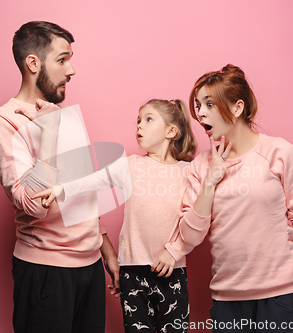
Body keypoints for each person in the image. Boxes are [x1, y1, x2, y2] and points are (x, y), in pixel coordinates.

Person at [179, 64, 293, 332]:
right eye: (198, 105)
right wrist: (211, 179)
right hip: (227, 301)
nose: (200, 113)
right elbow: (191, 236)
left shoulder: (279, 152)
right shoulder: (200, 166)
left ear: (237, 108)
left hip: (280, 299)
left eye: (209, 104)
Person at [0, 21, 119, 333]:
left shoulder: (63, 112)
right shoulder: (2, 121)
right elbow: (33, 205)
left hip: (90, 267)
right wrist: (50, 134)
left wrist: (106, 249)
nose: (71, 70)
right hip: (46, 270)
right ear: (33, 63)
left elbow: (80, 192)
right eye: (62, 59)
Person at [34, 99, 198, 332]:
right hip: (132, 272)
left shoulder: (188, 172)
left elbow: (195, 222)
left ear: (171, 131)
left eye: (148, 120)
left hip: (173, 272)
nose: (139, 126)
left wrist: (176, 251)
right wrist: (60, 189)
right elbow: (93, 180)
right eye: (138, 121)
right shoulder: (130, 165)